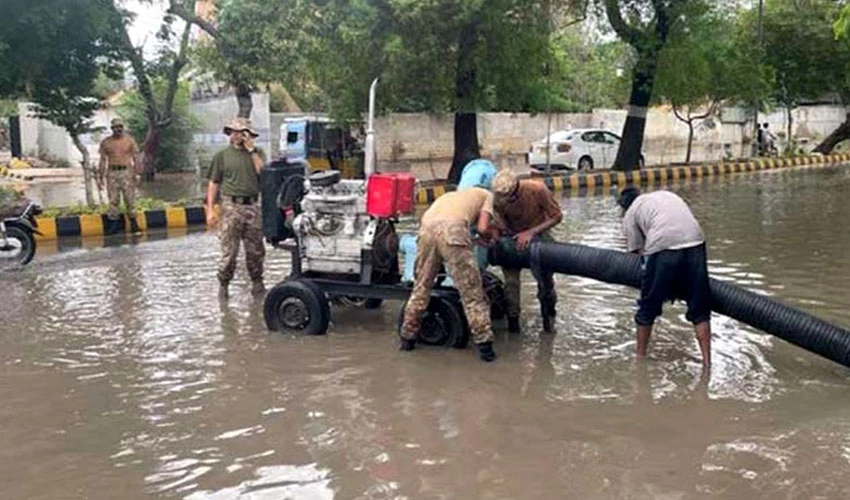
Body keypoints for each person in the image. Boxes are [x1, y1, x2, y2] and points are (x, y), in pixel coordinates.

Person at [399, 187, 502, 362]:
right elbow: (483, 227)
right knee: (471, 293)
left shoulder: (452, 196)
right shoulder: (488, 196)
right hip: (453, 230)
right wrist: (491, 235)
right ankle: (486, 349)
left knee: (421, 288)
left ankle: (407, 340)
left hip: (426, 230)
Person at [617, 187, 712, 368]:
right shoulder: (665, 195)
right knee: (700, 306)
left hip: (663, 245)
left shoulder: (631, 213)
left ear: (624, 207)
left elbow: (638, 253)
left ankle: (639, 357)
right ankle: (707, 363)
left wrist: (662, 280)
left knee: (648, 305)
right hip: (696, 241)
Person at [491, 168, 563, 333]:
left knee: (545, 283)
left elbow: (557, 216)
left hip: (539, 234)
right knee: (511, 284)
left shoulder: (537, 189)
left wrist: (531, 232)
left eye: (508, 198)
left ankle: (549, 317)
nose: (505, 202)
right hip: (512, 238)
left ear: (516, 189)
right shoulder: (497, 198)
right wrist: (499, 234)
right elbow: (499, 222)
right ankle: (513, 324)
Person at [206, 118, 267, 299]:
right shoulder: (222, 156)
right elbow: (213, 183)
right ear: (230, 134)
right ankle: (224, 285)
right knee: (229, 252)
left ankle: (257, 283)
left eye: (243, 132)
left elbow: (262, 173)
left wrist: (251, 150)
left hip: (252, 206)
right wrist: (210, 209)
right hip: (231, 206)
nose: (238, 135)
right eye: (235, 132)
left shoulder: (257, 153)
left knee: (256, 250)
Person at [98, 118, 141, 234]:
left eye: (120, 126)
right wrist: (100, 177)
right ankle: (114, 226)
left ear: (123, 127)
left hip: (127, 172)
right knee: (113, 199)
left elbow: (136, 158)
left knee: (130, 199)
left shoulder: (130, 141)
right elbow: (102, 160)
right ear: (112, 128)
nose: (118, 129)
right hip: (112, 173)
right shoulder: (106, 142)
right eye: (116, 127)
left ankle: (134, 225)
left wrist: (138, 174)